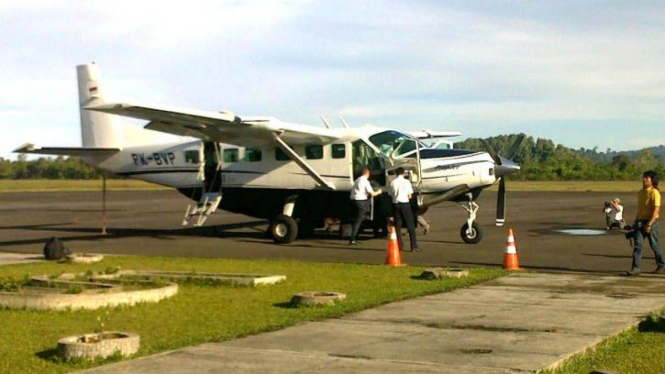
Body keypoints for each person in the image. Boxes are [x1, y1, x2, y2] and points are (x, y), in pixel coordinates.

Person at [627, 171, 663, 276]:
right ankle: (636, 268)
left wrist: (650, 223)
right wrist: (635, 223)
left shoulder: (654, 192)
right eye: (644, 177)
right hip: (640, 222)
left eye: (647, 178)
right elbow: (640, 209)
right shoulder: (641, 193)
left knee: (654, 245)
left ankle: (661, 265)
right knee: (638, 245)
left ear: (652, 180)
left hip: (651, 221)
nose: (644, 179)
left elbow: (656, 209)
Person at [389, 167, 420, 252]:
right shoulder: (406, 182)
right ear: (403, 173)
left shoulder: (393, 182)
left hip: (395, 204)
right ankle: (414, 246)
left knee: (397, 225)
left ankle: (399, 246)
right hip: (404, 203)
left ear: (396, 173)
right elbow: (410, 195)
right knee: (410, 225)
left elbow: (390, 193)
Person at [349, 167, 382, 245]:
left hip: (354, 201)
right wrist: (379, 192)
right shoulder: (365, 182)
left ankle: (354, 237)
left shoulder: (357, 180)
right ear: (368, 173)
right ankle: (353, 239)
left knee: (357, 220)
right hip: (361, 202)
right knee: (358, 221)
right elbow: (372, 193)